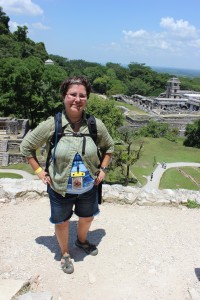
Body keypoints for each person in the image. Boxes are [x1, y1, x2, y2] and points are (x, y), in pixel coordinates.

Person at [20, 76, 114, 274]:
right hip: (60, 188)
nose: (77, 99)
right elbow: (26, 147)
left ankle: (81, 241)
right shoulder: (52, 125)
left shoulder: (95, 125)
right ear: (64, 96)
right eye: (72, 94)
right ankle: (64, 253)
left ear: (87, 99)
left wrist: (103, 169)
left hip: (89, 187)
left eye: (82, 95)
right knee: (62, 222)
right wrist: (39, 172)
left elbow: (109, 147)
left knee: (87, 217)